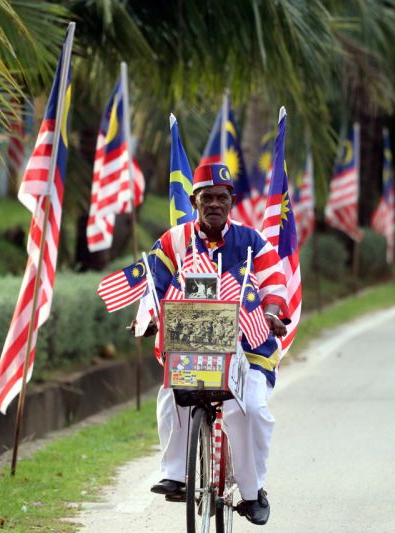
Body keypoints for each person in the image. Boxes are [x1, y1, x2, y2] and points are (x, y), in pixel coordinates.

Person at [133, 163, 288, 526]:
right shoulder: (174, 241)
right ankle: (174, 473)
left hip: (247, 344)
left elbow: (274, 286)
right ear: (194, 201)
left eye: (222, 197)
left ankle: (252, 492)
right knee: (174, 391)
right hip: (194, 340)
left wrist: (271, 312)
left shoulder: (253, 242)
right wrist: (148, 317)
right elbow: (153, 286)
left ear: (231, 201)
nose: (214, 204)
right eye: (207, 198)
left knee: (248, 408)